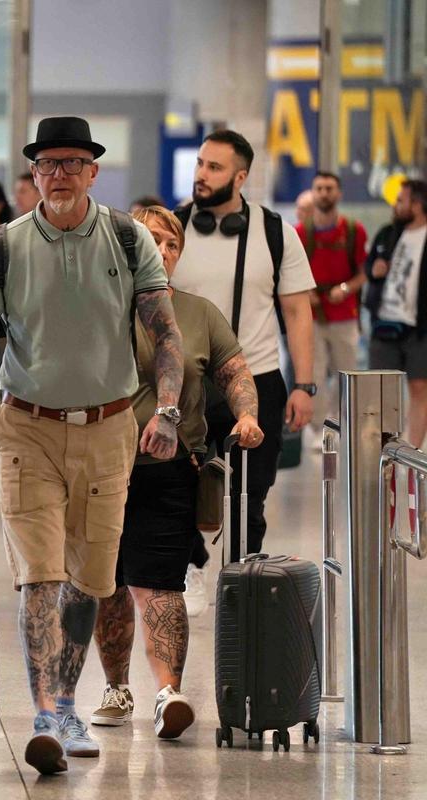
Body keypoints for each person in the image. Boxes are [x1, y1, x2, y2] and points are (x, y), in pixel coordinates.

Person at [0, 117, 183, 775]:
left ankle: (70, 703)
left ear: (92, 171)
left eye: (70, 163)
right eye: (46, 164)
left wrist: (165, 410)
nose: (57, 174)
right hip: (27, 429)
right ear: (34, 173)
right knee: (41, 578)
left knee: (89, 580)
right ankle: (51, 714)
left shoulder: (129, 237)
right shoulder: (2, 245)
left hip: (111, 431)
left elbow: (165, 335)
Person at [89, 206, 262, 739]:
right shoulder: (100, 309)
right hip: (100, 465)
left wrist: (247, 413)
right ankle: (117, 687)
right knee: (106, 584)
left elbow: (234, 371)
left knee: (159, 583)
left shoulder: (199, 313)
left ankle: (169, 692)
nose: (161, 251)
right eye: (150, 240)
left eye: (170, 243)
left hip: (170, 469)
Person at [168, 130, 315, 580]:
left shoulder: (276, 233)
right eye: (200, 164)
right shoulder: (171, 230)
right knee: (177, 488)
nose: (202, 174)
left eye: (215, 167)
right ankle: (188, 568)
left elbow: (297, 312)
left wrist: (305, 386)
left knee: (251, 494)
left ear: (241, 176)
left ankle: (241, 580)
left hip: (258, 380)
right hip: (185, 382)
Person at [297, 171, 367, 430]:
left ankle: (344, 424)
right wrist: (306, 292)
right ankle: (318, 429)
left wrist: (346, 288)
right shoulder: (301, 233)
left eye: (329, 188)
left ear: (338, 193)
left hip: (344, 315)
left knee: (346, 373)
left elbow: (363, 274)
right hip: (313, 317)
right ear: (313, 193)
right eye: (319, 188)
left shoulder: (353, 231)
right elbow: (289, 273)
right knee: (314, 373)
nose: (324, 193)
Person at [365, 179, 427, 446]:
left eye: (401, 200)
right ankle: (385, 453)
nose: (396, 204)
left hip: (419, 328)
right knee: (381, 394)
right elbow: (368, 267)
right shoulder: (387, 233)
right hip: (385, 324)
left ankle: (413, 454)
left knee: (419, 388)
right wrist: (374, 270)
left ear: (418, 204)